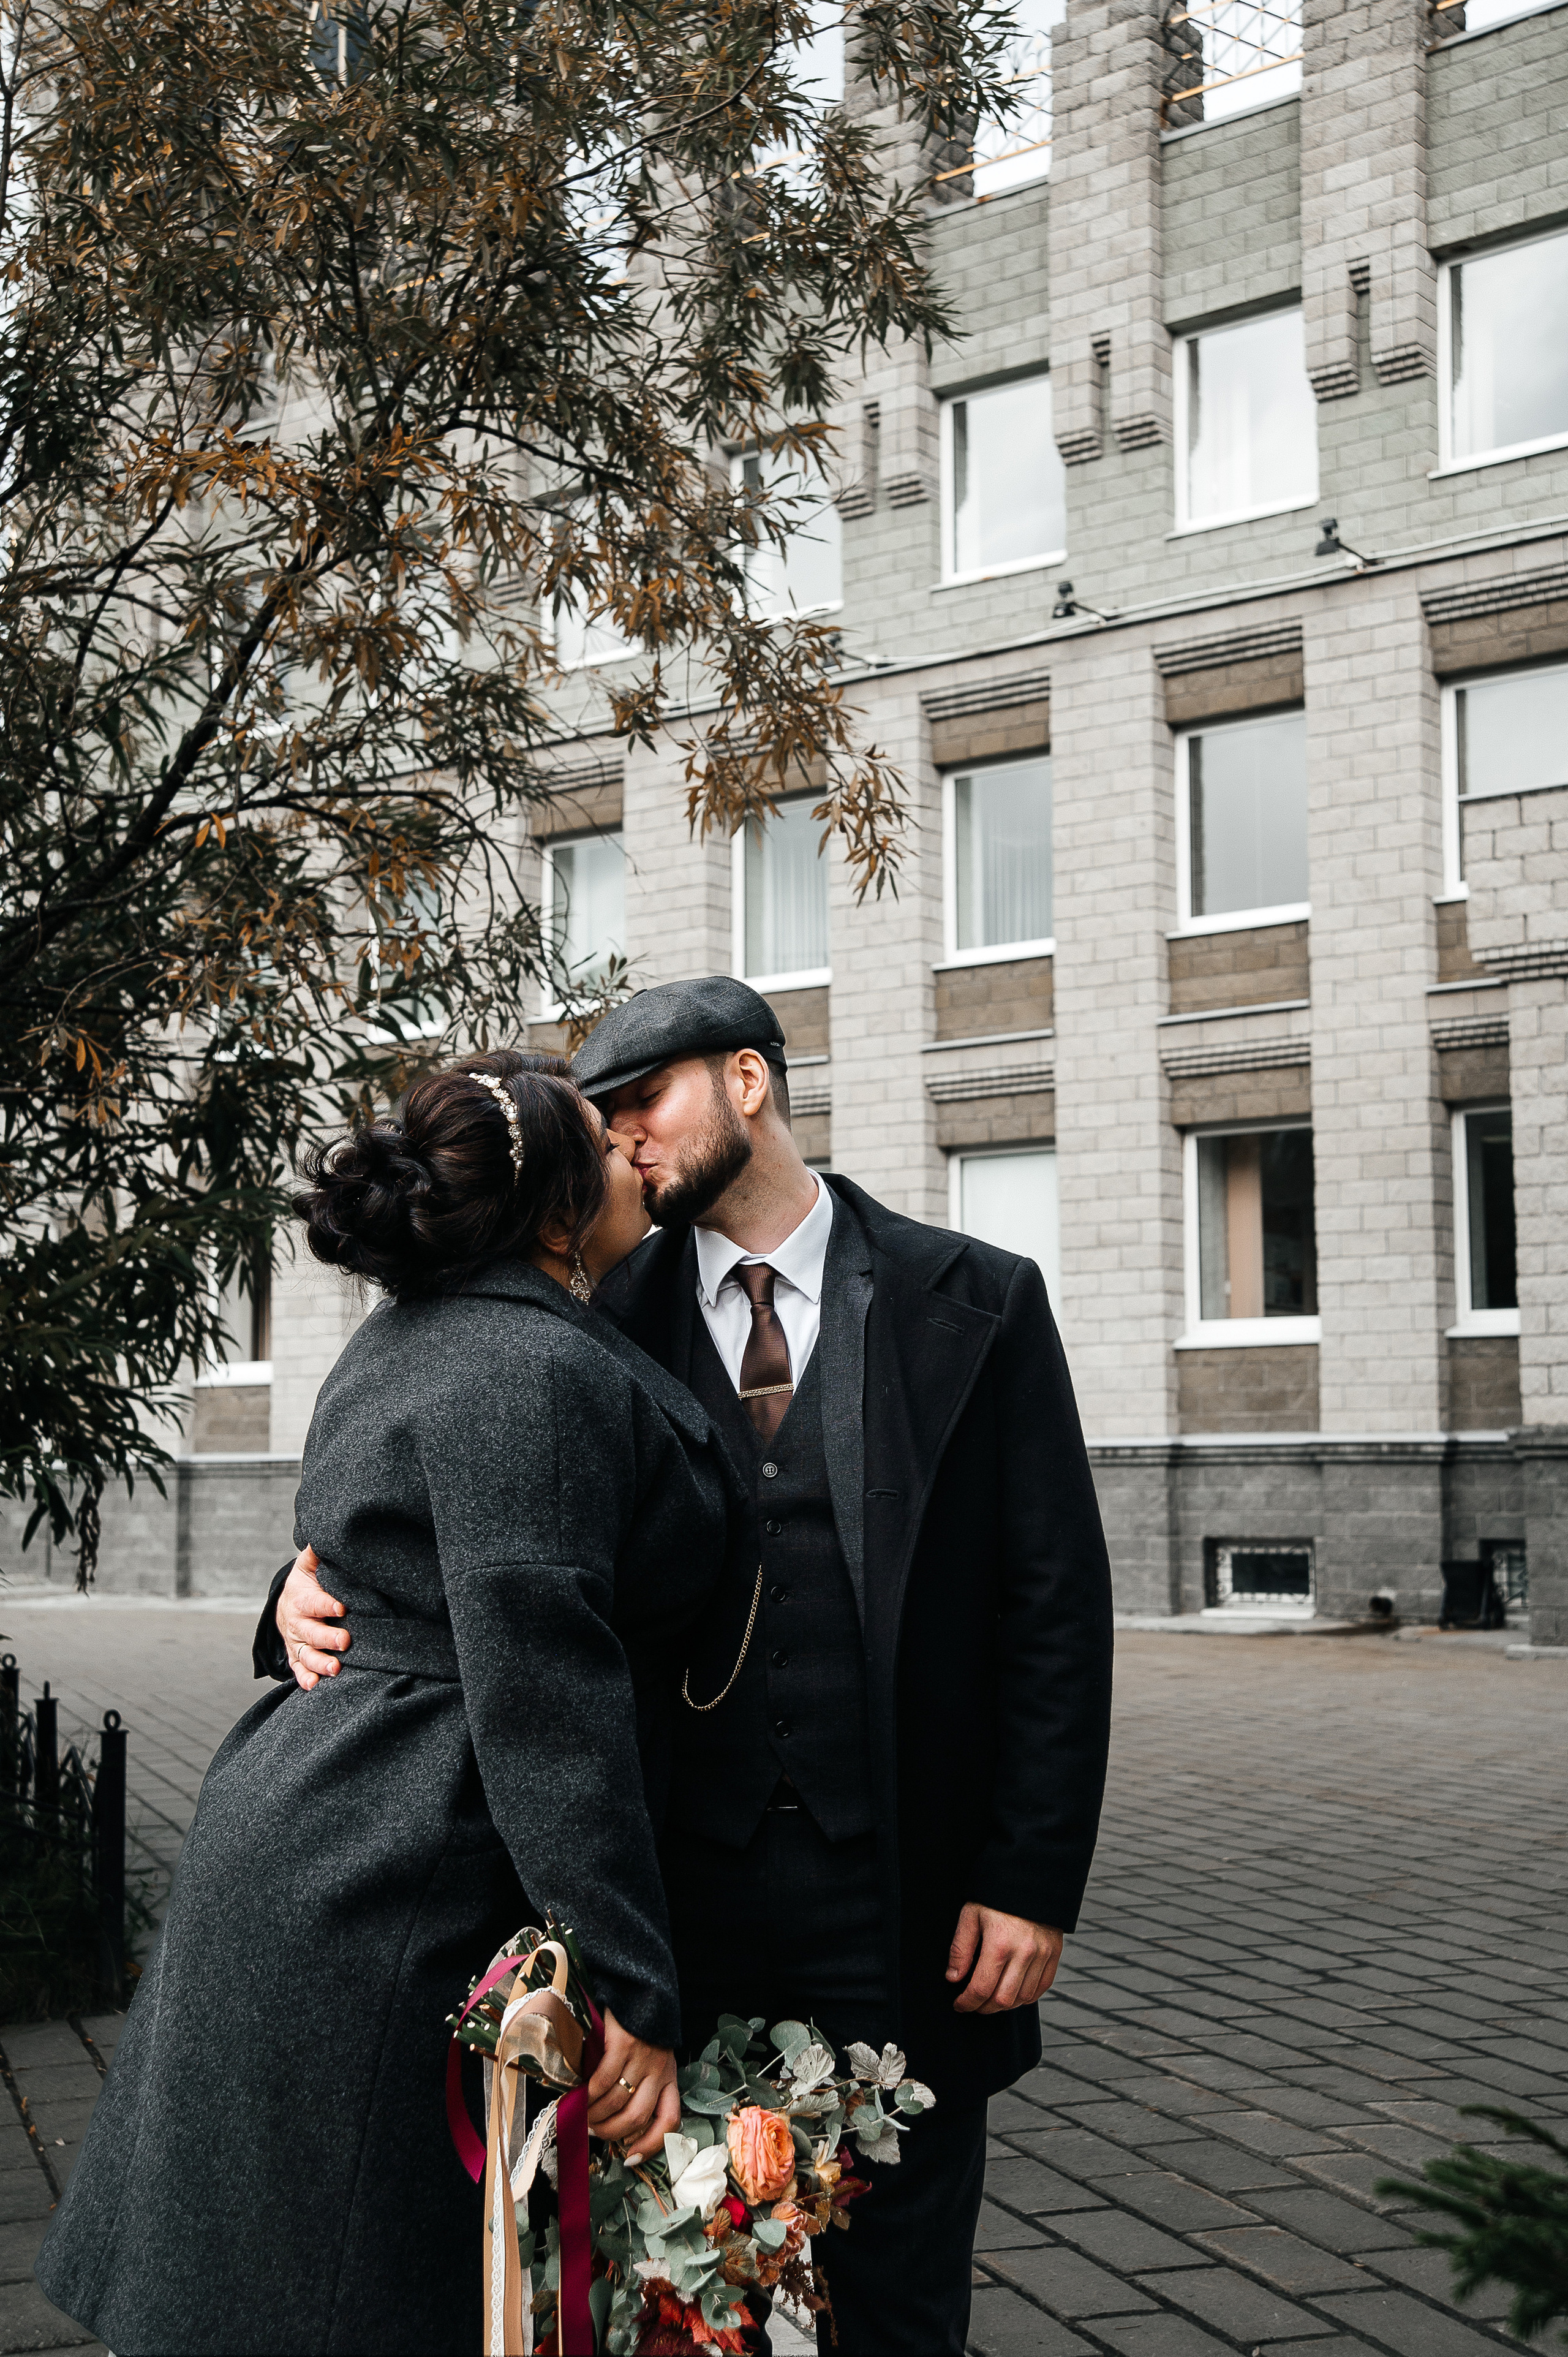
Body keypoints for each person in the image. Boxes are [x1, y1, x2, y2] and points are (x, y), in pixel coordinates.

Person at [271, 978, 1115, 2356]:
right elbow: (433, 1491)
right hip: (674, 1890)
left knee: (898, 2285)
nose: (620, 1145)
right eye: (596, 1121)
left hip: (900, 1888)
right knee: (676, 2283)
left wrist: (1026, 1875)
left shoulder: (978, 1298)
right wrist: (296, 1593)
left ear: (745, 1079)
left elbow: (1053, 1607)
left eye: (639, 1103)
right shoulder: (586, 1306)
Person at [37, 1051, 731, 2357]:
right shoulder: (525, 1367)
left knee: (277, 2266)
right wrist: (632, 1978)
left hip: (322, 1817)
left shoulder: (410, 1333)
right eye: (605, 1138)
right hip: (394, 1851)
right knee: (333, 2280)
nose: (639, 1151)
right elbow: (541, 1690)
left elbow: (384, 1567)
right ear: (551, 1214)